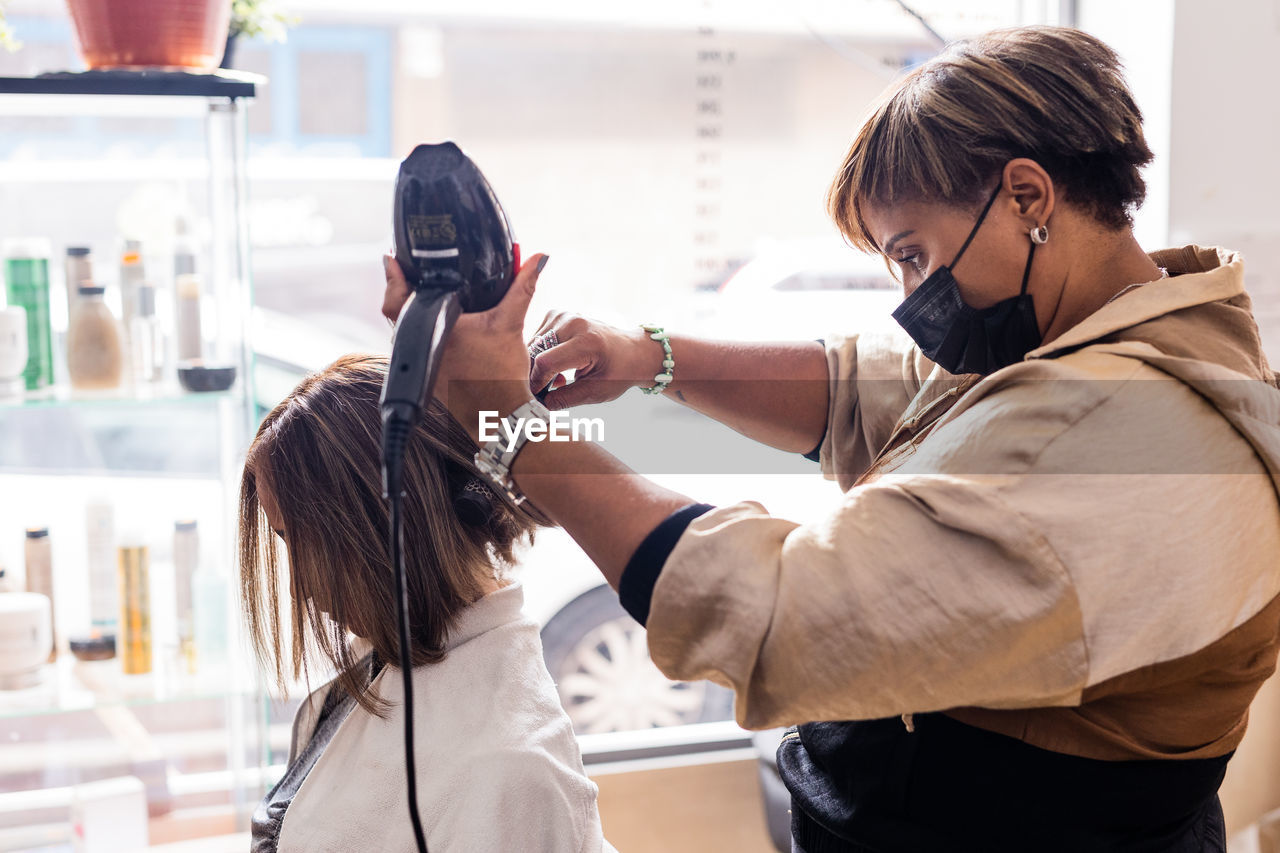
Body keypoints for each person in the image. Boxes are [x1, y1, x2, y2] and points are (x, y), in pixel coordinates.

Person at [382, 25, 1280, 853]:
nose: (912, 294)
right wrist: (648, 356)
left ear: (1027, 195)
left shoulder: (1122, 434)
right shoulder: (1097, 333)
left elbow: (780, 612)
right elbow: (866, 387)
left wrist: (510, 427)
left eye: (918, 255)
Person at [238, 354, 615, 853]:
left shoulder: (508, 770)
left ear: (391, 524)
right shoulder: (380, 663)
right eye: (288, 544)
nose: (300, 588)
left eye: (309, 544)